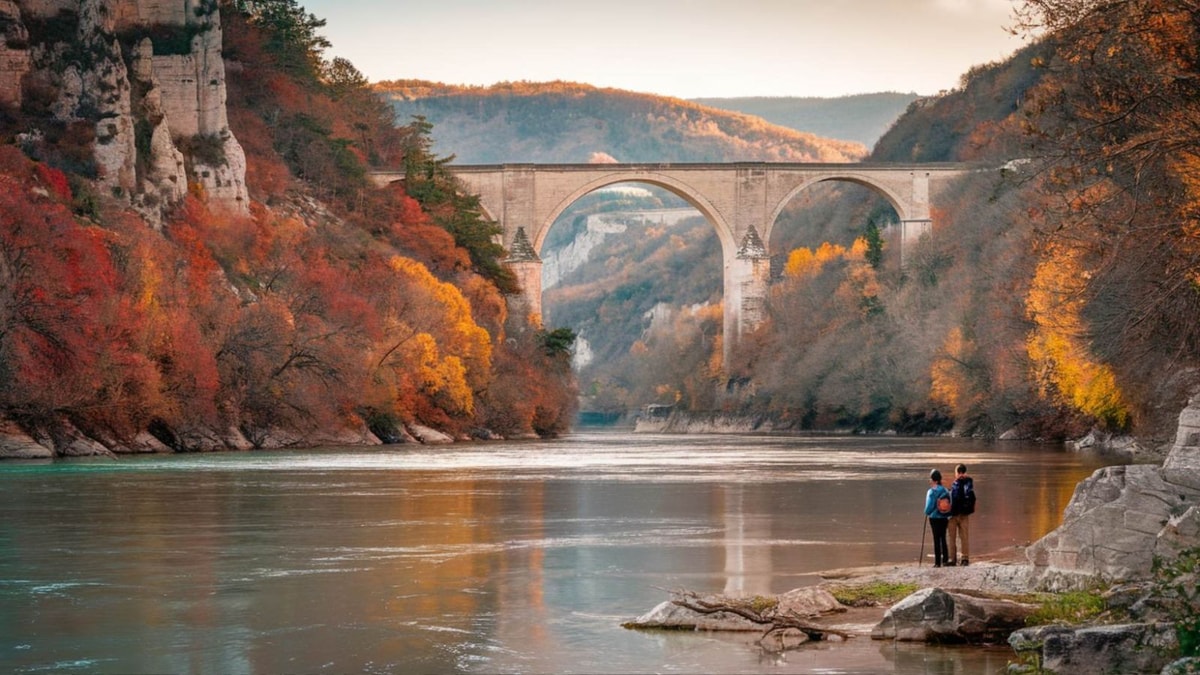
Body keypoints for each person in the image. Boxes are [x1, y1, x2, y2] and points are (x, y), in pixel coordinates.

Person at [948, 463, 976, 567]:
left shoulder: (959, 483)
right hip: (964, 514)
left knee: (952, 537)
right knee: (964, 537)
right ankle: (964, 558)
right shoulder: (969, 482)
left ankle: (953, 559)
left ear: (957, 473)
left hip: (955, 515)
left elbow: (956, 497)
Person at [924, 469, 951, 567]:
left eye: (930, 479)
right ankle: (945, 560)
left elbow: (929, 507)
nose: (929, 480)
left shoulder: (931, 491)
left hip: (934, 517)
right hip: (944, 517)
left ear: (934, 480)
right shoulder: (945, 490)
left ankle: (937, 562)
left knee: (936, 539)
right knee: (943, 538)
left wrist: (926, 512)